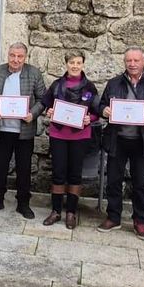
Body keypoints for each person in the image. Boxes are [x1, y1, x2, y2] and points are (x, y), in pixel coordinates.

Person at [95, 47, 144, 240]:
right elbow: (101, 104)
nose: (132, 64)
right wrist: (104, 111)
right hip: (117, 139)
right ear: (124, 62)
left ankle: (140, 221)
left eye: (136, 60)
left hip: (141, 141)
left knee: (140, 184)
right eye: (129, 60)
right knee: (113, 180)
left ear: (143, 61)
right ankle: (113, 217)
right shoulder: (114, 83)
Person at [0, 43, 47, 218]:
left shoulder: (33, 73)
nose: (15, 59)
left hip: (24, 130)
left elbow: (43, 99)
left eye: (19, 56)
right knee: (0, 167)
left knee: (24, 168)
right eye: (12, 55)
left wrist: (32, 114)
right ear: (8, 55)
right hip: (2, 129)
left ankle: (23, 203)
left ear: (25, 57)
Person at [41, 52, 96, 229]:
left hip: (80, 136)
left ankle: (71, 212)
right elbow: (46, 104)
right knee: (58, 172)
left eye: (78, 62)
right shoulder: (57, 85)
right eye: (71, 62)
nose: (75, 66)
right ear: (66, 64)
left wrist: (91, 119)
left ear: (83, 65)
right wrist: (49, 111)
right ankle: (56, 210)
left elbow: (98, 110)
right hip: (58, 135)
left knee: (75, 173)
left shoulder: (90, 87)